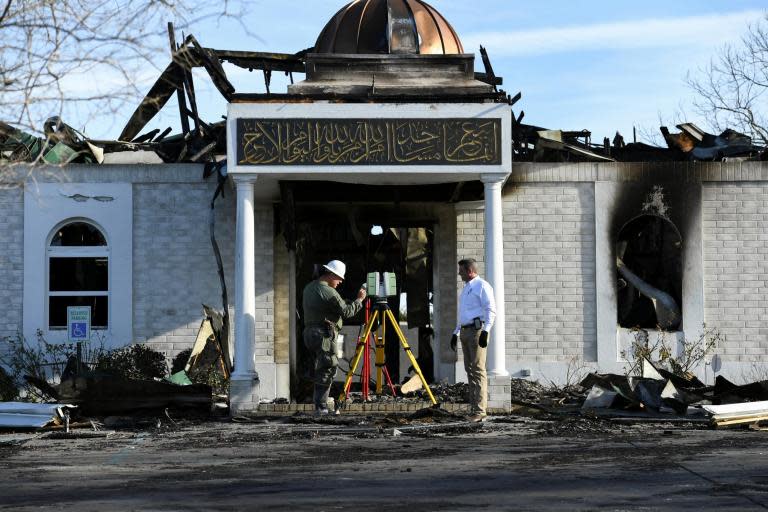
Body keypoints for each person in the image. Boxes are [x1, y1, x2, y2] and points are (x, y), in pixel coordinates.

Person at [302, 259, 366, 415]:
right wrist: (360, 299)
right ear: (330, 274)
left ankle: (319, 403)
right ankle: (321, 407)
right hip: (323, 334)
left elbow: (330, 306)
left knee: (321, 368)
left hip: (310, 333)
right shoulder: (329, 291)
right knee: (328, 368)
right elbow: (347, 312)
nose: (340, 282)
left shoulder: (309, 288)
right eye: (339, 278)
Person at [450, 258, 496, 422]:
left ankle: (480, 410)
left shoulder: (482, 286)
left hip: (477, 331)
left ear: (470, 271)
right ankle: (474, 408)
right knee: (470, 370)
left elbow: (491, 310)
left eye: (461, 270)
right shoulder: (467, 289)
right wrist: (455, 333)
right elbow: (463, 315)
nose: (459, 273)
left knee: (477, 370)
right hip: (465, 330)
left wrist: (486, 331)